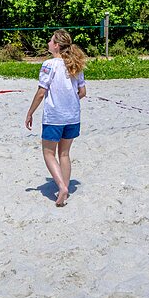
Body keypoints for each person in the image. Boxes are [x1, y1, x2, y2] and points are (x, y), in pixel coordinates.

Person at [24, 30, 88, 207]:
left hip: (54, 117)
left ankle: (62, 187)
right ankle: (64, 193)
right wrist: (69, 100)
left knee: (48, 153)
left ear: (57, 45)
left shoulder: (49, 65)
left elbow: (41, 92)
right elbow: (82, 92)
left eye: (51, 40)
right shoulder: (75, 64)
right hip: (73, 116)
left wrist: (30, 112)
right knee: (65, 154)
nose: (48, 42)